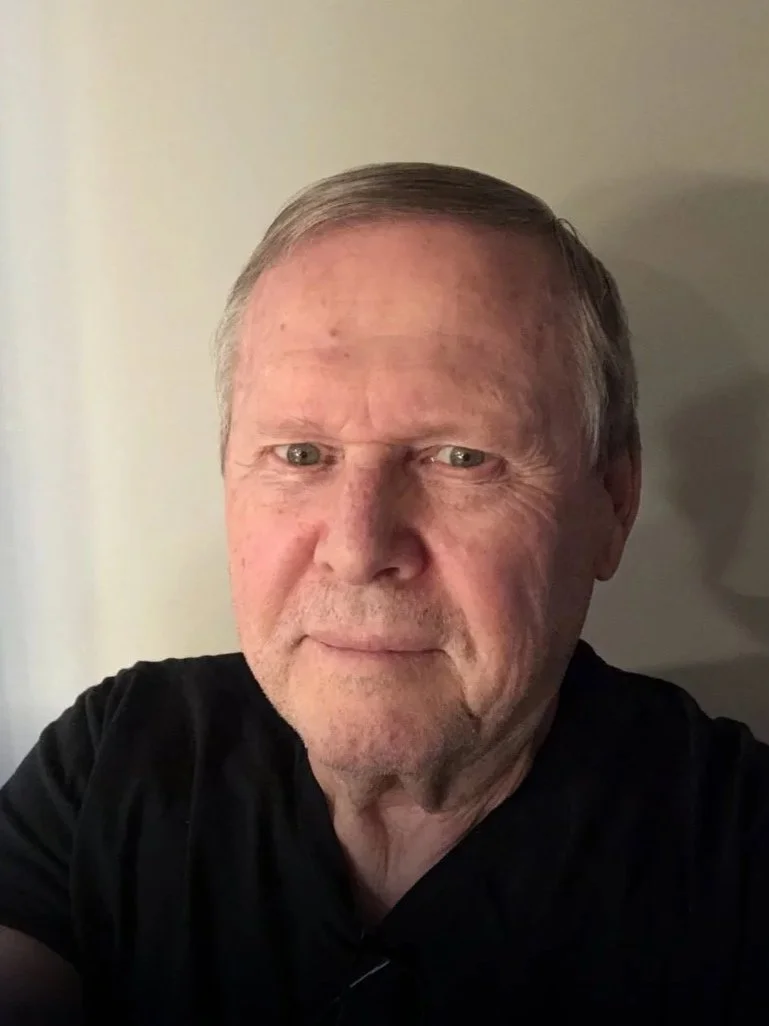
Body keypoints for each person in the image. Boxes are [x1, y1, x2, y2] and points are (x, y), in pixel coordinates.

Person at [0, 162, 767, 1026]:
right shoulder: (111, 758)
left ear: (610, 506)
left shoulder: (737, 849)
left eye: (461, 457)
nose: (358, 548)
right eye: (299, 455)